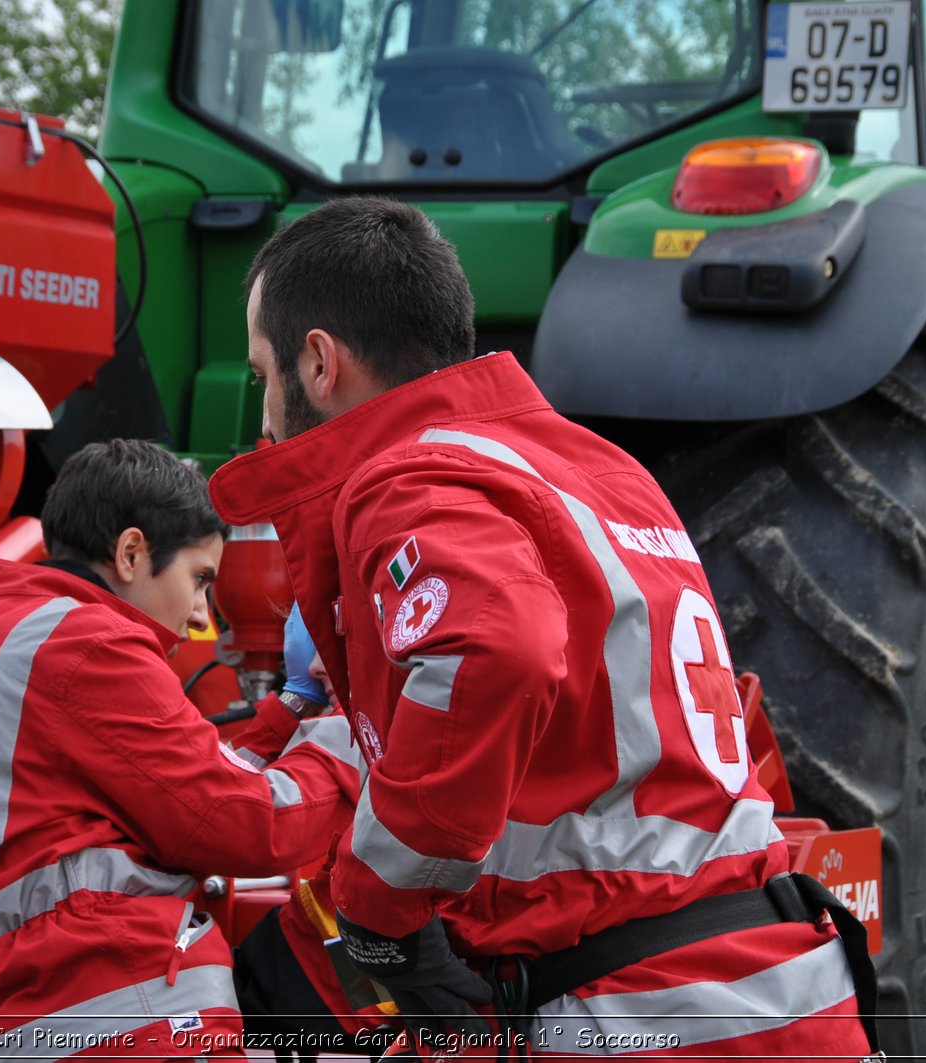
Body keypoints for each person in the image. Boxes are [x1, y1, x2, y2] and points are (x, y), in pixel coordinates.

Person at [209, 198, 879, 1059]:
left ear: (319, 362)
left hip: (642, 1013)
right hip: (782, 989)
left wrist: (379, 910)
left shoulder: (408, 476)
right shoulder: (599, 469)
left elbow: (495, 647)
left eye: (264, 371)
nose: (264, 416)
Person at [0, 439, 363, 1063]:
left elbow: (172, 787)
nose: (198, 616)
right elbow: (241, 822)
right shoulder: (85, 642)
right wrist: (352, 733)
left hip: (14, 1020)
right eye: (199, 580)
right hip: (117, 1013)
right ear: (132, 552)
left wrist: (291, 708)